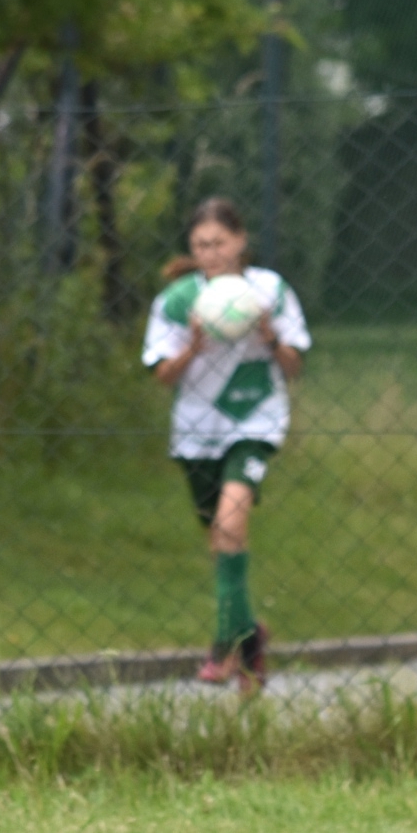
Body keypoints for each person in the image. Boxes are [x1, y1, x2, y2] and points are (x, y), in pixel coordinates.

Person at [142, 197, 311, 693]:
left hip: (255, 423)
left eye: (218, 243)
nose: (210, 253)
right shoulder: (178, 300)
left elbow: (294, 366)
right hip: (197, 430)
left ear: (240, 242)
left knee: (230, 525)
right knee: (220, 542)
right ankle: (251, 636)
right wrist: (193, 347)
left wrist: (270, 337)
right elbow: (162, 375)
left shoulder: (270, 291)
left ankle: (222, 647)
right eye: (200, 246)